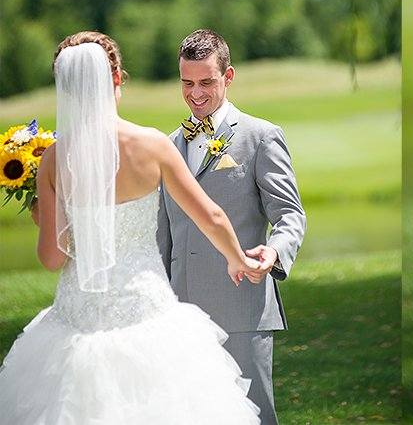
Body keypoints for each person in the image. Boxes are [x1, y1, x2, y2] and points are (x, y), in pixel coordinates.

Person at [0, 32, 263, 423]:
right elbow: (211, 216)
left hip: (77, 317)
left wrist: (43, 217)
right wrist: (236, 258)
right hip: (146, 309)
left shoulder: (55, 159)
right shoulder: (153, 144)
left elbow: (52, 258)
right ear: (118, 78)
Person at [158, 29, 306, 425]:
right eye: (187, 83)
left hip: (242, 306)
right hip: (181, 313)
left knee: (254, 417)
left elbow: (290, 214)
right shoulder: (168, 146)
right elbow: (163, 235)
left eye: (207, 81)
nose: (196, 93)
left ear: (228, 76)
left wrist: (273, 253)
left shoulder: (261, 137)